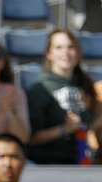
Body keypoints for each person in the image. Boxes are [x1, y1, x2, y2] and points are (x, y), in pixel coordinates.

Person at [26, 28, 102, 165]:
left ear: (78, 53)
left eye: (71, 47)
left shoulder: (85, 84)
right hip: (49, 162)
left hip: (82, 159)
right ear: (49, 53)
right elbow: (30, 139)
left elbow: (88, 125)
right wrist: (63, 129)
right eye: (58, 47)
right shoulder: (40, 89)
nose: (65, 52)